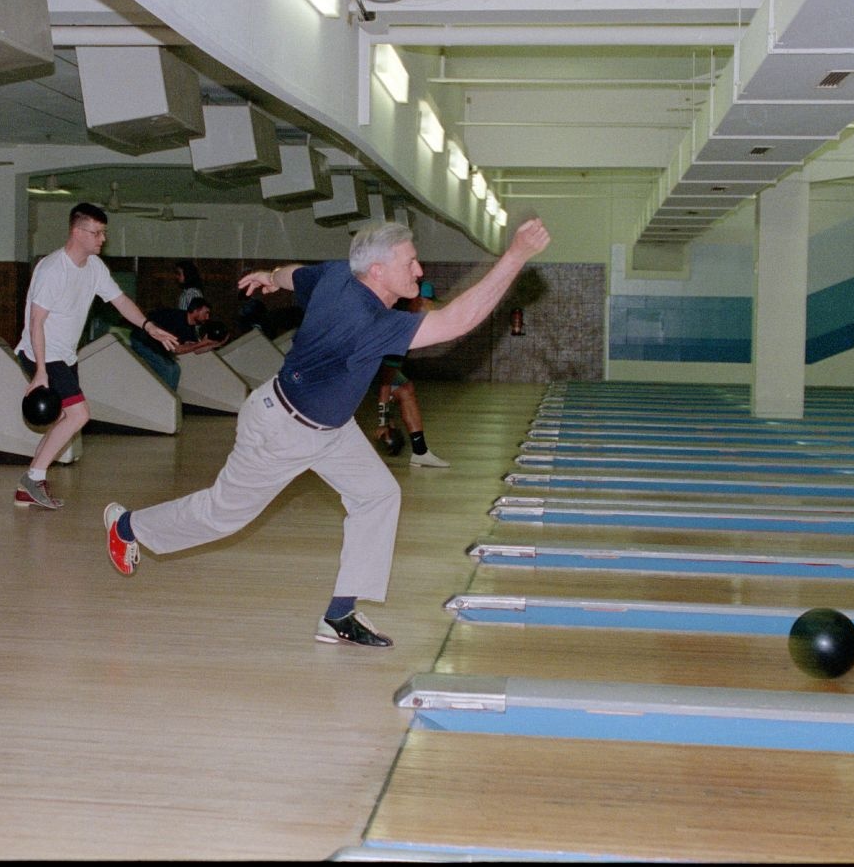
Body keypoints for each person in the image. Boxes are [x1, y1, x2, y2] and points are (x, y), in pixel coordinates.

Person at [102, 217, 552, 647]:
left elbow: (296, 275)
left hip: (329, 427)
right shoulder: (368, 321)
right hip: (282, 429)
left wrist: (269, 274)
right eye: (409, 263)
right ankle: (127, 526)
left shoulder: (341, 274)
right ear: (377, 271)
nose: (419, 269)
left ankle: (339, 614)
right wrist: (515, 255)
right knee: (224, 515)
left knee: (378, 495)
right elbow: (455, 322)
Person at [13, 202, 180, 510]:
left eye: (103, 232)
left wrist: (149, 326)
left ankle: (29, 484)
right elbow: (35, 323)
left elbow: (120, 301)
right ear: (77, 232)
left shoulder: (94, 267)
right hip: (44, 353)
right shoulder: (53, 269)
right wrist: (40, 372)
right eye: (97, 232)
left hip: (65, 355)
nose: (102, 239)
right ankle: (34, 478)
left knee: (65, 418)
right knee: (79, 415)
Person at [374, 286, 448, 468]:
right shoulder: (399, 327)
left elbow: (389, 375)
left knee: (406, 389)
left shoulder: (409, 324)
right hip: (357, 369)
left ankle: (420, 452)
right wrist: (383, 421)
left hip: (377, 367)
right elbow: (385, 381)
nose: (431, 308)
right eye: (427, 303)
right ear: (416, 302)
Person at [128, 296, 228, 390]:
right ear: (196, 311)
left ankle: (167, 398)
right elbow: (177, 349)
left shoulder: (190, 328)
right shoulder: (177, 318)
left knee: (175, 369)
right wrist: (203, 343)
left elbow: (196, 350)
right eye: (206, 313)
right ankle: (165, 401)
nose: (207, 317)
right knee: (170, 370)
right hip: (142, 342)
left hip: (156, 347)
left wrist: (215, 344)